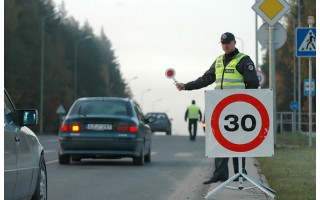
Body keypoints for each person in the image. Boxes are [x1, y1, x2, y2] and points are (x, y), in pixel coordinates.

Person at [176, 32, 259, 184]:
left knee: (236, 140)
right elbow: (206, 79)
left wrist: (245, 104)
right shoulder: (219, 61)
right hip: (220, 108)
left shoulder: (244, 60)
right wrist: (186, 86)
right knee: (219, 140)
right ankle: (220, 173)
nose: (225, 45)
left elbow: (253, 84)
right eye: (223, 43)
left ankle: (240, 172)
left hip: (237, 108)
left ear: (234, 43)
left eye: (228, 42)